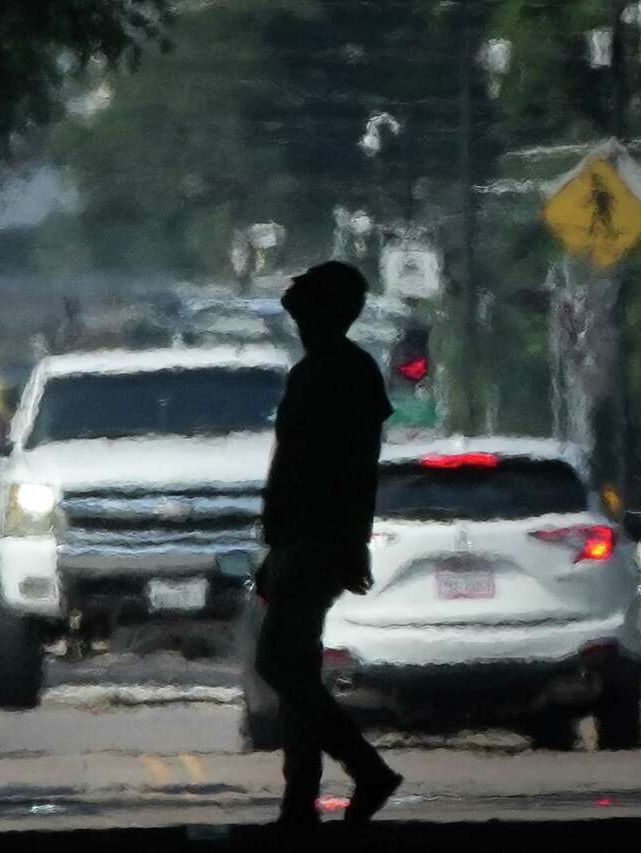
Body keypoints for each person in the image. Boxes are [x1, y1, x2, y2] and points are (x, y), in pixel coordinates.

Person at [254, 260, 403, 830]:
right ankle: (300, 800)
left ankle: (367, 770)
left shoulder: (343, 372)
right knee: (297, 665)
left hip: (317, 540)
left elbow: (355, 470)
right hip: (301, 540)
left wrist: (349, 544)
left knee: (278, 662)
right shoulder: (322, 369)